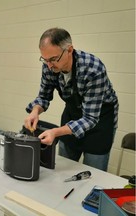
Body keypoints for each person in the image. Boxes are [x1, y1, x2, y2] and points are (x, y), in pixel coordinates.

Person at [24, 27, 118, 171]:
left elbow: (90, 118)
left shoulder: (93, 69)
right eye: (45, 59)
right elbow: (44, 97)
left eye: (53, 59)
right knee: (63, 169)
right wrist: (35, 111)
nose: (49, 65)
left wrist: (55, 132)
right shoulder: (49, 66)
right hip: (72, 114)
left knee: (93, 174)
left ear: (69, 50)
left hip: (99, 120)